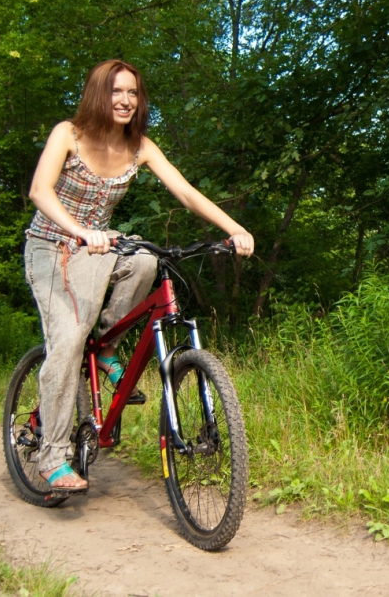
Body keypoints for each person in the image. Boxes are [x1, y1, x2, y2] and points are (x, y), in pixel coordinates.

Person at [24, 59, 254, 492]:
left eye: (132, 92)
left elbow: (185, 191)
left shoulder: (140, 146)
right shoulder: (67, 134)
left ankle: (108, 345)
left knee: (147, 260)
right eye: (116, 92)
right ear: (98, 94)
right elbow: (40, 191)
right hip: (51, 246)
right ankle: (51, 455)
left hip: (99, 244)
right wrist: (78, 232)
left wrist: (234, 229)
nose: (126, 100)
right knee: (70, 340)